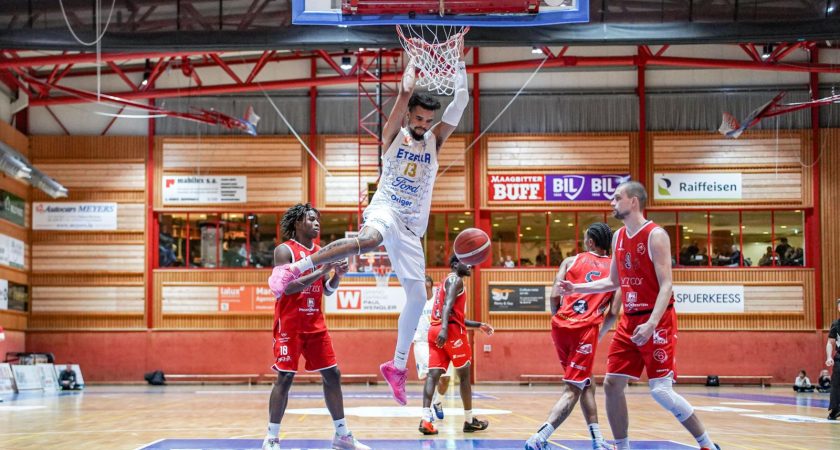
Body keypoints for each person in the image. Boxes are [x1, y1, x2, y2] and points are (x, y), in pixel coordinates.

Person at [268, 48, 469, 405]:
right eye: (418, 118)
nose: (422, 124)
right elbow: (405, 92)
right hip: (387, 208)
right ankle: (295, 269)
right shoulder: (394, 136)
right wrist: (414, 60)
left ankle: (396, 367)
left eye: (428, 120)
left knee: (418, 296)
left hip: (412, 227)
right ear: (409, 116)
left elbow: (461, 103)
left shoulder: (434, 142)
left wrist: (459, 66)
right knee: (370, 239)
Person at [557, 181, 719, 450]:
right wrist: (577, 288)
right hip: (630, 320)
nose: (612, 202)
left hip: (657, 319)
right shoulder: (618, 237)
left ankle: (707, 444)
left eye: (617, 197)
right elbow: (612, 281)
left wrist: (652, 323)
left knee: (661, 391)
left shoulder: (656, 235)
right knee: (612, 384)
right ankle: (623, 447)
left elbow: (666, 285)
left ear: (633, 201)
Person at [262, 203, 369, 450]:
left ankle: (342, 435)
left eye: (317, 219)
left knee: (333, 374)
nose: (317, 223)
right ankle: (271, 438)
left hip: (315, 324)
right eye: (311, 219)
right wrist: (322, 270)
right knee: (285, 377)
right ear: (298, 223)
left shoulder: (322, 251)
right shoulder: (284, 250)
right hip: (290, 325)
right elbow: (286, 287)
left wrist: (337, 275)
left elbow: (326, 291)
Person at [525, 222, 620, 450]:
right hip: (584, 331)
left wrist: (560, 320)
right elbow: (614, 312)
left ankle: (597, 440)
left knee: (586, 382)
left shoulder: (569, 261)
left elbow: (554, 296)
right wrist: (597, 335)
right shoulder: (615, 270)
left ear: (590, 242)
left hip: (560, 326)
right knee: (573, 389)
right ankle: (538, 438)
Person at [419, 255, 495, 435]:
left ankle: (425, 419)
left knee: (433, 376)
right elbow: (447, 306)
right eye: (465, 262)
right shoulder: (456, 280)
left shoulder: (444, 282)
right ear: (454, 264)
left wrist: (478, 325)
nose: (470, 265)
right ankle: (469, 421)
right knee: (464, 377)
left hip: (435, 329)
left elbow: (452, 314)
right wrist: (445, 329)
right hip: (450, 332)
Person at [413, 275, 450, 420]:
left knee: (445, 378)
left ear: (429, 284)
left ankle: (437, 402)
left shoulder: (437, 300)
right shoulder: (414, 302)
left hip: (439, 343)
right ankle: (427, 411)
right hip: (422, 342)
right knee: (431, 376)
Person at [826, 298, 840, 419]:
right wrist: (829, 356)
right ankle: (835, 409)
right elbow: (830, 342)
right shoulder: (836, 324)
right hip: (839, 358)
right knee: (836, 384)